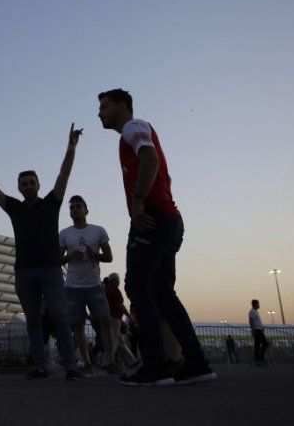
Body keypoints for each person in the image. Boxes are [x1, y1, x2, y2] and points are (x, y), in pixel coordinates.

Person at [96, 88, 215, 386]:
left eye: (105, 106)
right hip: (168, 219)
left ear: (123, 107)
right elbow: (165, 174)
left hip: (152, 219)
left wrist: (138, 201)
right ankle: (196, 364)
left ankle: (155, 367)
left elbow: (150, 158)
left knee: (138, 287)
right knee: (163, 292)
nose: (100, 113)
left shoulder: (133, 128)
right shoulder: (137, 132)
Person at [0, 124, 85, 381]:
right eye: (23, 183)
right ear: (18, 188)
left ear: (38, 185)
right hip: (24, 271)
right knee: (33, 321)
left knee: (60, 316)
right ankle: (40, 365)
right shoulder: (13, 207)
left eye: (31, 182)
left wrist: (70, 147)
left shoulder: (52, 203)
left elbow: (64, 174)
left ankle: (71, 365)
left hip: (50, 270)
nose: (27, 186)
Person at [59, 195, 116, 373]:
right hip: (72, 287)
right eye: (72, 207)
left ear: (86, 210)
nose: (75, 209)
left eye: (78, 206)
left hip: (94, 285)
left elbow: (109, 257)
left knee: (104, 322)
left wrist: (95, 255)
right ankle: (87, 362)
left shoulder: (98, 231)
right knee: (78, 325)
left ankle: (110, 361)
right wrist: (69, 256)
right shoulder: (65, 233)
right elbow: (56, 259)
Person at [103, 273, 139, 369]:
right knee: (114, 342)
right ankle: (109, 363)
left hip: (108, 317)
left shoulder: (105, 289)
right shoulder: (115, 290)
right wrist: (130, 317)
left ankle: (132, 361)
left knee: (120, 342)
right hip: (115, 318)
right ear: (115, 281)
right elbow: (121, 306)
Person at [249, 300, 270, 366]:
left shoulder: (256, 312)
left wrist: (261, 327)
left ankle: (259, 359)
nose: (259, 305)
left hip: (259, 329)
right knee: (263, 344)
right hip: (257, 330)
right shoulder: (252, 312)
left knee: (259, 345)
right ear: (255, 304)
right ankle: (259, 359)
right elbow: (251, 320)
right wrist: (253, 329)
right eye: (258, 304)